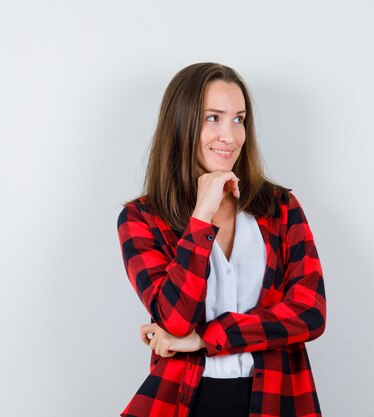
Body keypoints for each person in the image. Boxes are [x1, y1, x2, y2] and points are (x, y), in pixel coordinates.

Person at [116, 62, 326, 417]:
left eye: (238, 119)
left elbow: (310, 314)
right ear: (181, 124)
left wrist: (204, 339)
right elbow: (175, 321)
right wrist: (201, 217)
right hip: (184, 400)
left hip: (277, 398)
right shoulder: (142, 218)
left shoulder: (281, 209)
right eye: (213, 118)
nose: (229, 135)